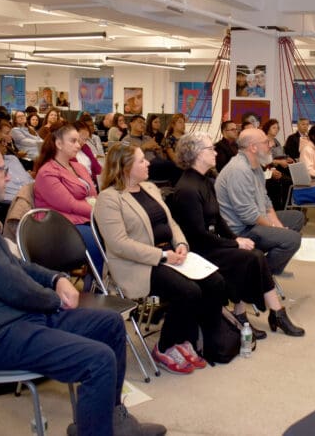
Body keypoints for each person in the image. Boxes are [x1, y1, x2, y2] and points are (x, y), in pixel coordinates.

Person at [0, 140, 166, 436]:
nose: (9, 177)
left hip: (10, 319)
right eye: (2, 170)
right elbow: (12, 286)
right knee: (97, 360)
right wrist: (54, 300)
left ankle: (106, 422)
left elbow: (14, 266)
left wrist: (54, 279)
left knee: (110, 324)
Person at [94, 142, 226, 372]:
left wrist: (182, 244)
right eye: (141, 160)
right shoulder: (109, 199)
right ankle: (165, 347)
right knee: (188, 291)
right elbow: (119, 244)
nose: (148, 163)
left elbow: (170, 222)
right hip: (138, 263)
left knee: (214, 282)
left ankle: (185, 338)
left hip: (168, 254)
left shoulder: (150, 189)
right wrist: (162, 256)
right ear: (125, 168)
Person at [170, 132, 304, 337]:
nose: (215, 151)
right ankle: (268, 313)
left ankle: (270, 312)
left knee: (252, 256)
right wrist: (234, 244)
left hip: (212, 241)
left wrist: (235, 240)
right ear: (197, 153)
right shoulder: (187, 188)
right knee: (252, 257)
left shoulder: (205, 181)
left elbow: (219, 221)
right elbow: (197, 235)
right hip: (198, 250)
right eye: (210, 149)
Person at [215, 128, 304, 276]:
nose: (271, 145)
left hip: (254, 222)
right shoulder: (239, 170)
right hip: (241, 230)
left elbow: (266, 201)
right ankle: (259, 276)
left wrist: (278, 226)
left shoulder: (256, 166)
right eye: (266, 142)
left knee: (296, 217)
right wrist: (276, 229)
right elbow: (248, 216)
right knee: (293, 239)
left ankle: (263, 267)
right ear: (253, 147)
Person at [33, 123, 104, 272]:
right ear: (58, 143)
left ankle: (100, 282)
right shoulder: (47, 172)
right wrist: (99, 212)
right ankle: (98, 285)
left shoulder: (78, 167)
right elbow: (69, 204)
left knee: (116, 233)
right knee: (100, 240)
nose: (78, 145)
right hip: (58, 225)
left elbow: (93, 194)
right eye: (73, 141)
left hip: (82, 219)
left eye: (79, 141)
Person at [0, 129, 33, 203]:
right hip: (12, 203)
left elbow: (28, 179)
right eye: (2, 141)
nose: (5, 144)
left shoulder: (12, 159)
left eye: (5, 141)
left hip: (33, 195)